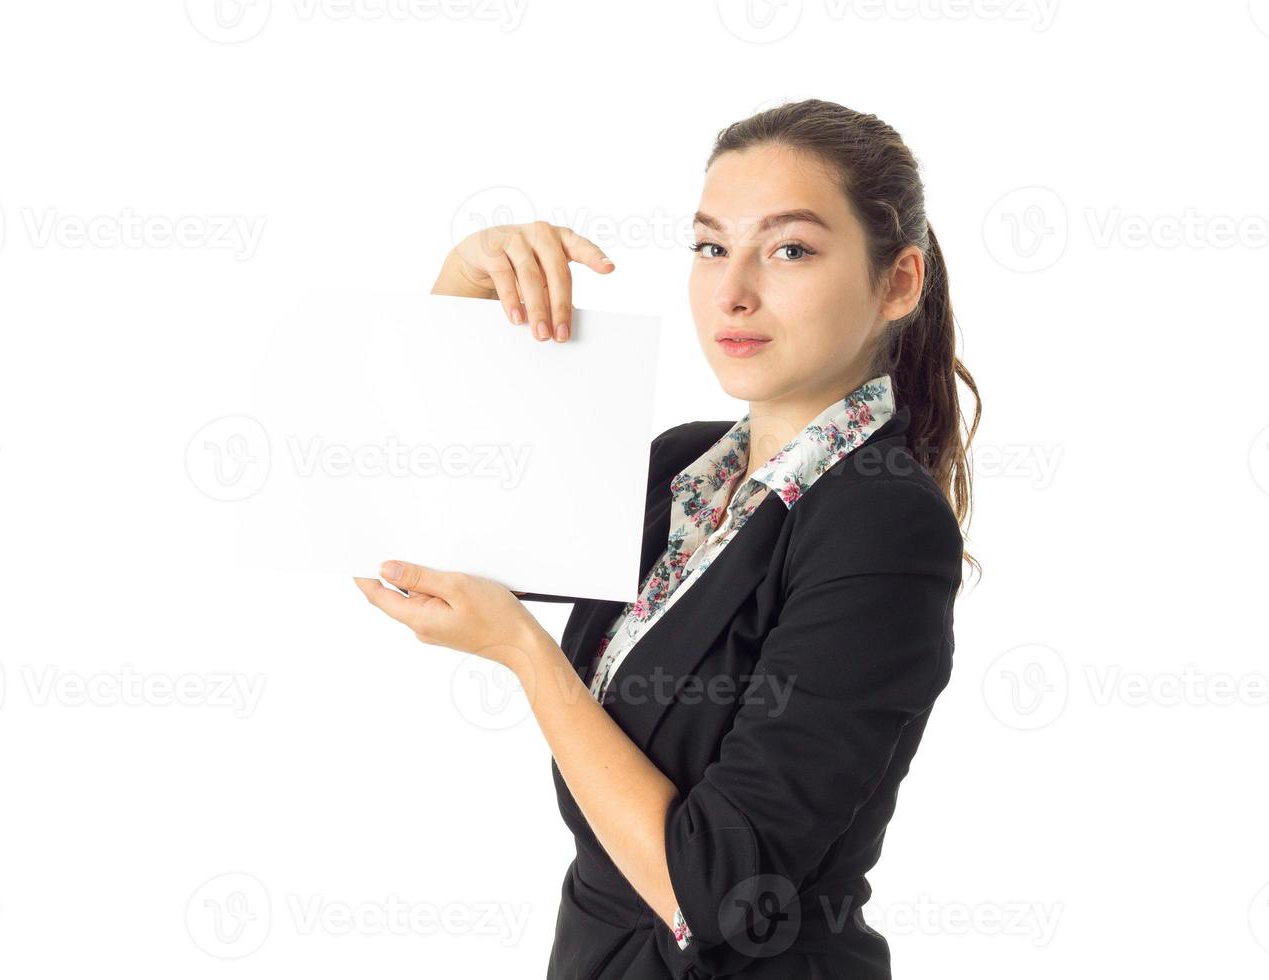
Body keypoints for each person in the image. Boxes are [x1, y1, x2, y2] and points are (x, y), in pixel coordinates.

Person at [354, 97, 981, 979]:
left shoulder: (881, 521)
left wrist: (528, 656)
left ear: (898, 283)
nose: (734, 289)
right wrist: (460, 296)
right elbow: (409, 548)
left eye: (790, 249)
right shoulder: (682, 470)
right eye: (711, 247)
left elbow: (718, 889)